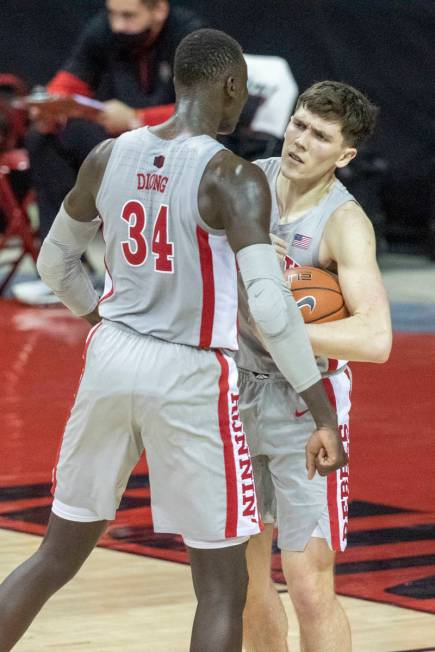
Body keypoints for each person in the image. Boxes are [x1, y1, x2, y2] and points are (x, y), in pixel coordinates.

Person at [0, 31, 347, 652]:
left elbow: (55, 265)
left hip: (111, 359)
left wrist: (102, 323)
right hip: (189, 372)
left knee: (55, 554)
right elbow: (269, 305)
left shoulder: (108, 155)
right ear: (232, 87)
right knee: (220, 588)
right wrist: (320, 408)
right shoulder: (234, 175)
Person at [239, 81, 392, 652]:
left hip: (306, 406)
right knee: (246, 582)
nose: (302, 140)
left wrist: (283, 330)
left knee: (308, 586)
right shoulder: (243, 184)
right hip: (233, 394)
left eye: (321, 136)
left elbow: (375, 338)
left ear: (345, 155)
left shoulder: (343, 222)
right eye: (300, 124)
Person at [12, 0, 206, 305]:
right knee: (45, 138)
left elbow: (204, 111)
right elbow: (72, 78)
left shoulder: (193, 39)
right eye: (113, 14)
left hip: (182, 142)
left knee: (115, 148)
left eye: (129, 16)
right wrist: (52, 107)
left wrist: (138, 119)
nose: (118, 25)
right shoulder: (105, 27)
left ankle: (141, 273)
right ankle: (64, 267)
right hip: (122, 138)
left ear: (159, 11)